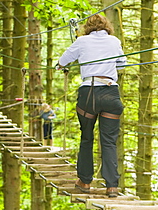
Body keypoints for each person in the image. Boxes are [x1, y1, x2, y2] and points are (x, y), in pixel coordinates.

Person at [57, 14, 127, 197]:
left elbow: (63, 61)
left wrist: (60, 65)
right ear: (107, 26)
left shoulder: (82, 41)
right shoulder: (114, 41)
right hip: (111, 94)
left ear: (88, 27)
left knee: (87, 138)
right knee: (109, 142)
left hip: (89, 93)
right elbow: (122, 64)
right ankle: (112, 186)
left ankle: (85, 181)